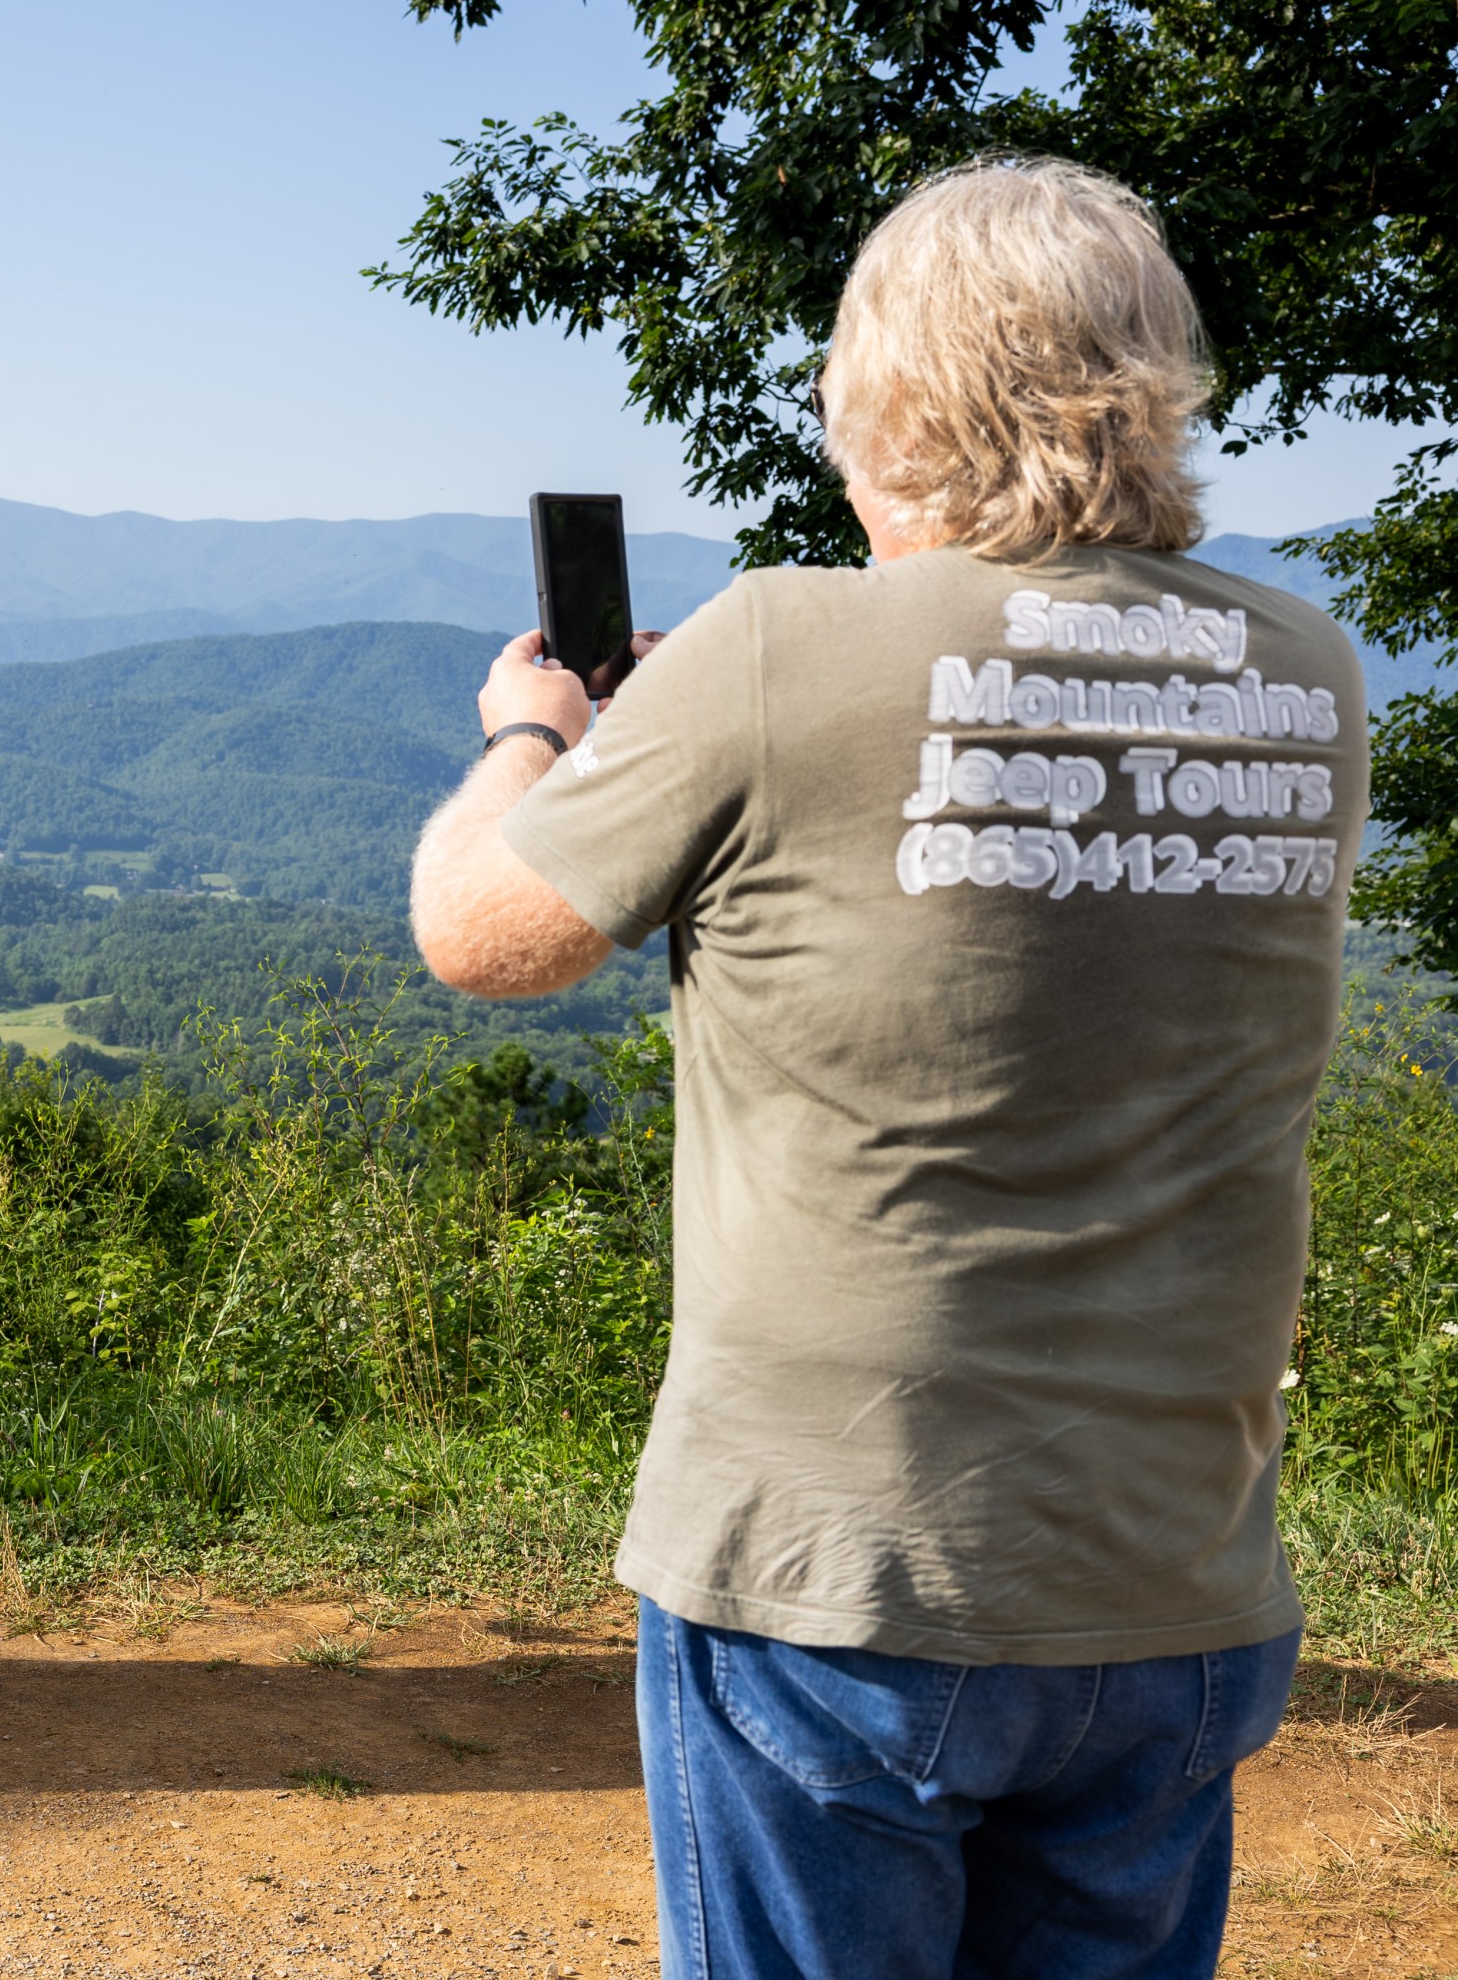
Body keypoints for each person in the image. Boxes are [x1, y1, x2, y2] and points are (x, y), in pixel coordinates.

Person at [408, 159, 1367, 1978]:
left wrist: (542, 736)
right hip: (1177, 1575)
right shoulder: (1309, 669)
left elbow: (480, 934)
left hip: (845, 1576)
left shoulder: (777, 650)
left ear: (894, 404)